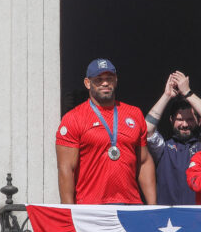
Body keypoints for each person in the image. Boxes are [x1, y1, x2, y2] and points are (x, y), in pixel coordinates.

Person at [55, 58, 156, 205]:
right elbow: (66, 169)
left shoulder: (134, 114)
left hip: (130, 204)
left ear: (116, 80)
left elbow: (144, 161)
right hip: (91, 206)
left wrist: (153, 207)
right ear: (87, 83)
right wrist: (69, 212)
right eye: (98, 79)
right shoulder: (73, 118)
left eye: (109, 78)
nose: (105, 83)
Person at [145, 71, 201, 205]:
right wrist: (166, 95)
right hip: (168, 219)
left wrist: (187, 92)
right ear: (171, 120)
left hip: (199, 216)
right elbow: (146, 129)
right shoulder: (162, 147)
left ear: (199, 121)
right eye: (180, 119)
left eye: (190, 119)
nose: (185, 124)